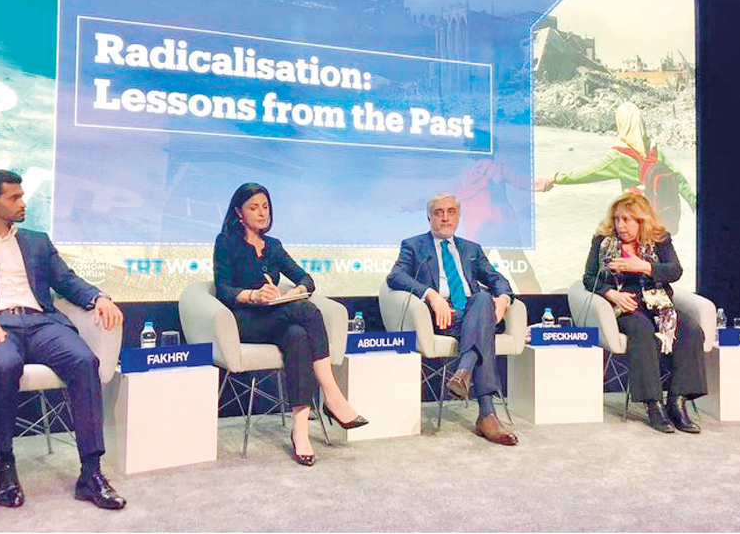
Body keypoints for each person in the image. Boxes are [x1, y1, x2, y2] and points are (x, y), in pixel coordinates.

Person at [0, 169, 126, 509]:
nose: (23, 203)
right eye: (14, 197)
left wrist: (98, 297)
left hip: (41, 322)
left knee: (84, 361)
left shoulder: (36, 240)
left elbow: (66, 280)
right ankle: (4, 465)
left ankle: (91, 473)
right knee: (5, 365)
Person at [213, 183, 367, 466]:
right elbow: (222, 289)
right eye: (253, 207)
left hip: (274, 318)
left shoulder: (274, 246)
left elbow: (306, 278)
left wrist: (294, 291)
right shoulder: (226, 242)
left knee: (297, 335)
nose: (261, 213)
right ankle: (332, 396)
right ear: (238, 212)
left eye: (265, 207)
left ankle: (300, 430)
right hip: (244, 322)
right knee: (307, 312)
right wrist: (254, 295)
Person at [387, 193, 518, 446]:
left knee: (481, 299)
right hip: (443, 316)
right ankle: (487, 414)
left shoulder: (471, 249)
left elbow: (496, 279)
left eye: (451, 212)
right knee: (482, 317)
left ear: (458, 216)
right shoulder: (414, 246)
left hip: (474, 312)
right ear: (429, 217)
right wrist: (431, 295)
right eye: (438, 212)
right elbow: (395, 277)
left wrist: (503, 298)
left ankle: (464, 372)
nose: (445, 217)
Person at [582, 192, 706, 433]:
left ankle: (677, 401)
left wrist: (644, 267)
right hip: (625, 303)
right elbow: (589, 277)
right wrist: (612, 294)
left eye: (628, 220)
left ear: (641, 221)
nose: (621, 225)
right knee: (642, 329)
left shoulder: (659, 239)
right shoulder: (603, 241)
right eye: (617, 219)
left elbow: (674, 270)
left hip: (659, 302)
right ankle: (653, 403)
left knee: (691, 329)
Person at [536, 101, 696, 234]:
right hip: (658, 222)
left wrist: (555, 178)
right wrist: (695, 203)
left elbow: (588, 171)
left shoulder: (620, 156)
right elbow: (678, 178)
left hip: (633, 224)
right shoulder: (655, 151)